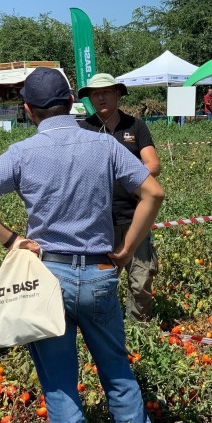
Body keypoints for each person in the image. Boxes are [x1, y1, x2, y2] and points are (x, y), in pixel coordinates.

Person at [0, 68, 164, 423]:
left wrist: (12, 240)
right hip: (101, 272)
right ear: (73, 103)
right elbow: (152, 192)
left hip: (48, 279)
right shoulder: (104, 146)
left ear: (28, 110)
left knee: (58, 381)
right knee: (116, 368)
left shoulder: (21, 153)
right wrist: (126, 249)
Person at [78, 73, 161, 322]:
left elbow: (153, 164)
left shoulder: (135, 126)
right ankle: (107, 328)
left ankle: (139, 330)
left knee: (141, 280)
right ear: (90, 99)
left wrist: (122, 175)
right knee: (102, 280)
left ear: (117, 94)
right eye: (95, 94)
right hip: (99, 220)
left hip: (137, 215)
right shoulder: (83, 129)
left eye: (106, 92)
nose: (100, 97)